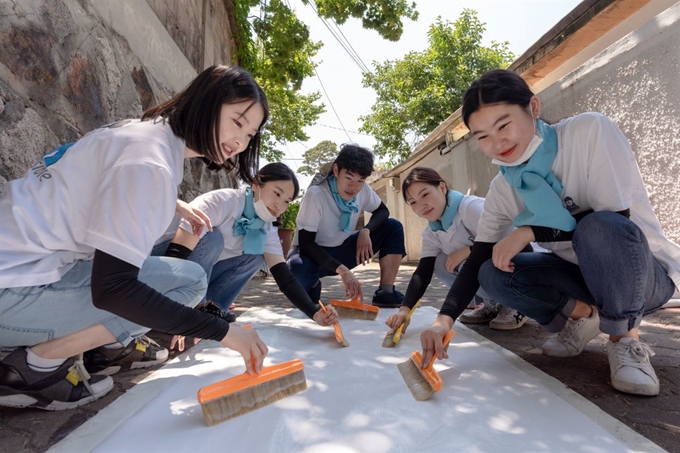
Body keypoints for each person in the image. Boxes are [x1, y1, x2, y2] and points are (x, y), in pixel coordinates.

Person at [0, 65, 270, 410]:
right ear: (207, 101)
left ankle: (98, 349)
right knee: (186, 284)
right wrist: (222, 331)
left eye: (250, 134)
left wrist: (174, 205)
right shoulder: (152, 165)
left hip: (15, 264)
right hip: (10, 293)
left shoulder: (139, 133)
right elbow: (114, 289)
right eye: (237, 121)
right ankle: (34, 368)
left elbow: (105, 179)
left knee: (180, 273)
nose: (239, 141)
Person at [420, 69, 680, 396]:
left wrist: (529, 231)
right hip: (581, 277)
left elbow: (615, 219)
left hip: (640, 277)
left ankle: (625, 340)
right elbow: (475, 262)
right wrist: (443, 321)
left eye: (503, 125)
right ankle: (582, 317)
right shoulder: (504, 187)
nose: (497, 143)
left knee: (599, 228)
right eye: (482, 136)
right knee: (491, 272)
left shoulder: (588, 131)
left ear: (533, 107)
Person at [154, 163, 339, 351]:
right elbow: (175, 257)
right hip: (159, 266)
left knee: (257, 256)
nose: (279, 205)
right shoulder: (222, 202)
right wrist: (180, 312)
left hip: (193, 274)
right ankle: (182, 316)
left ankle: (209, 314)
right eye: (277, 193)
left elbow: (285, 279)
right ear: (256, 184)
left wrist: (315, 312)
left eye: (286, 201)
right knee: (212, 237)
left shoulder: (266, 227)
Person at [385, 167, 527, 334]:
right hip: (488, 269)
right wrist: (405, 309)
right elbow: (422, 273)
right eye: (413, 202)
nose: (421, 205)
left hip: (520, 263)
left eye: (425, 194)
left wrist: (469, 250)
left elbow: (515, 241)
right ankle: (493, 304)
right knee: (440, 263)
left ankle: (518, 306)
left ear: (442, 188)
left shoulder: (471, 208)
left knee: (473, 263)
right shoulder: (432, 232)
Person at [288, 144, 406, 307]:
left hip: (343, 248)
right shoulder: (316, 194)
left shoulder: (363, 189)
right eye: (349, 178)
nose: (354, 187)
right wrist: (342, 270)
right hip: (312, 254)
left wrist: (366, 230)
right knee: (295, 268)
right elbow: (306, 243)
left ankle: (386, 292)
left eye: (360, 180)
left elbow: (382, 211)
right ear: (336, 170)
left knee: (393, 226)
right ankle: (312, 286)